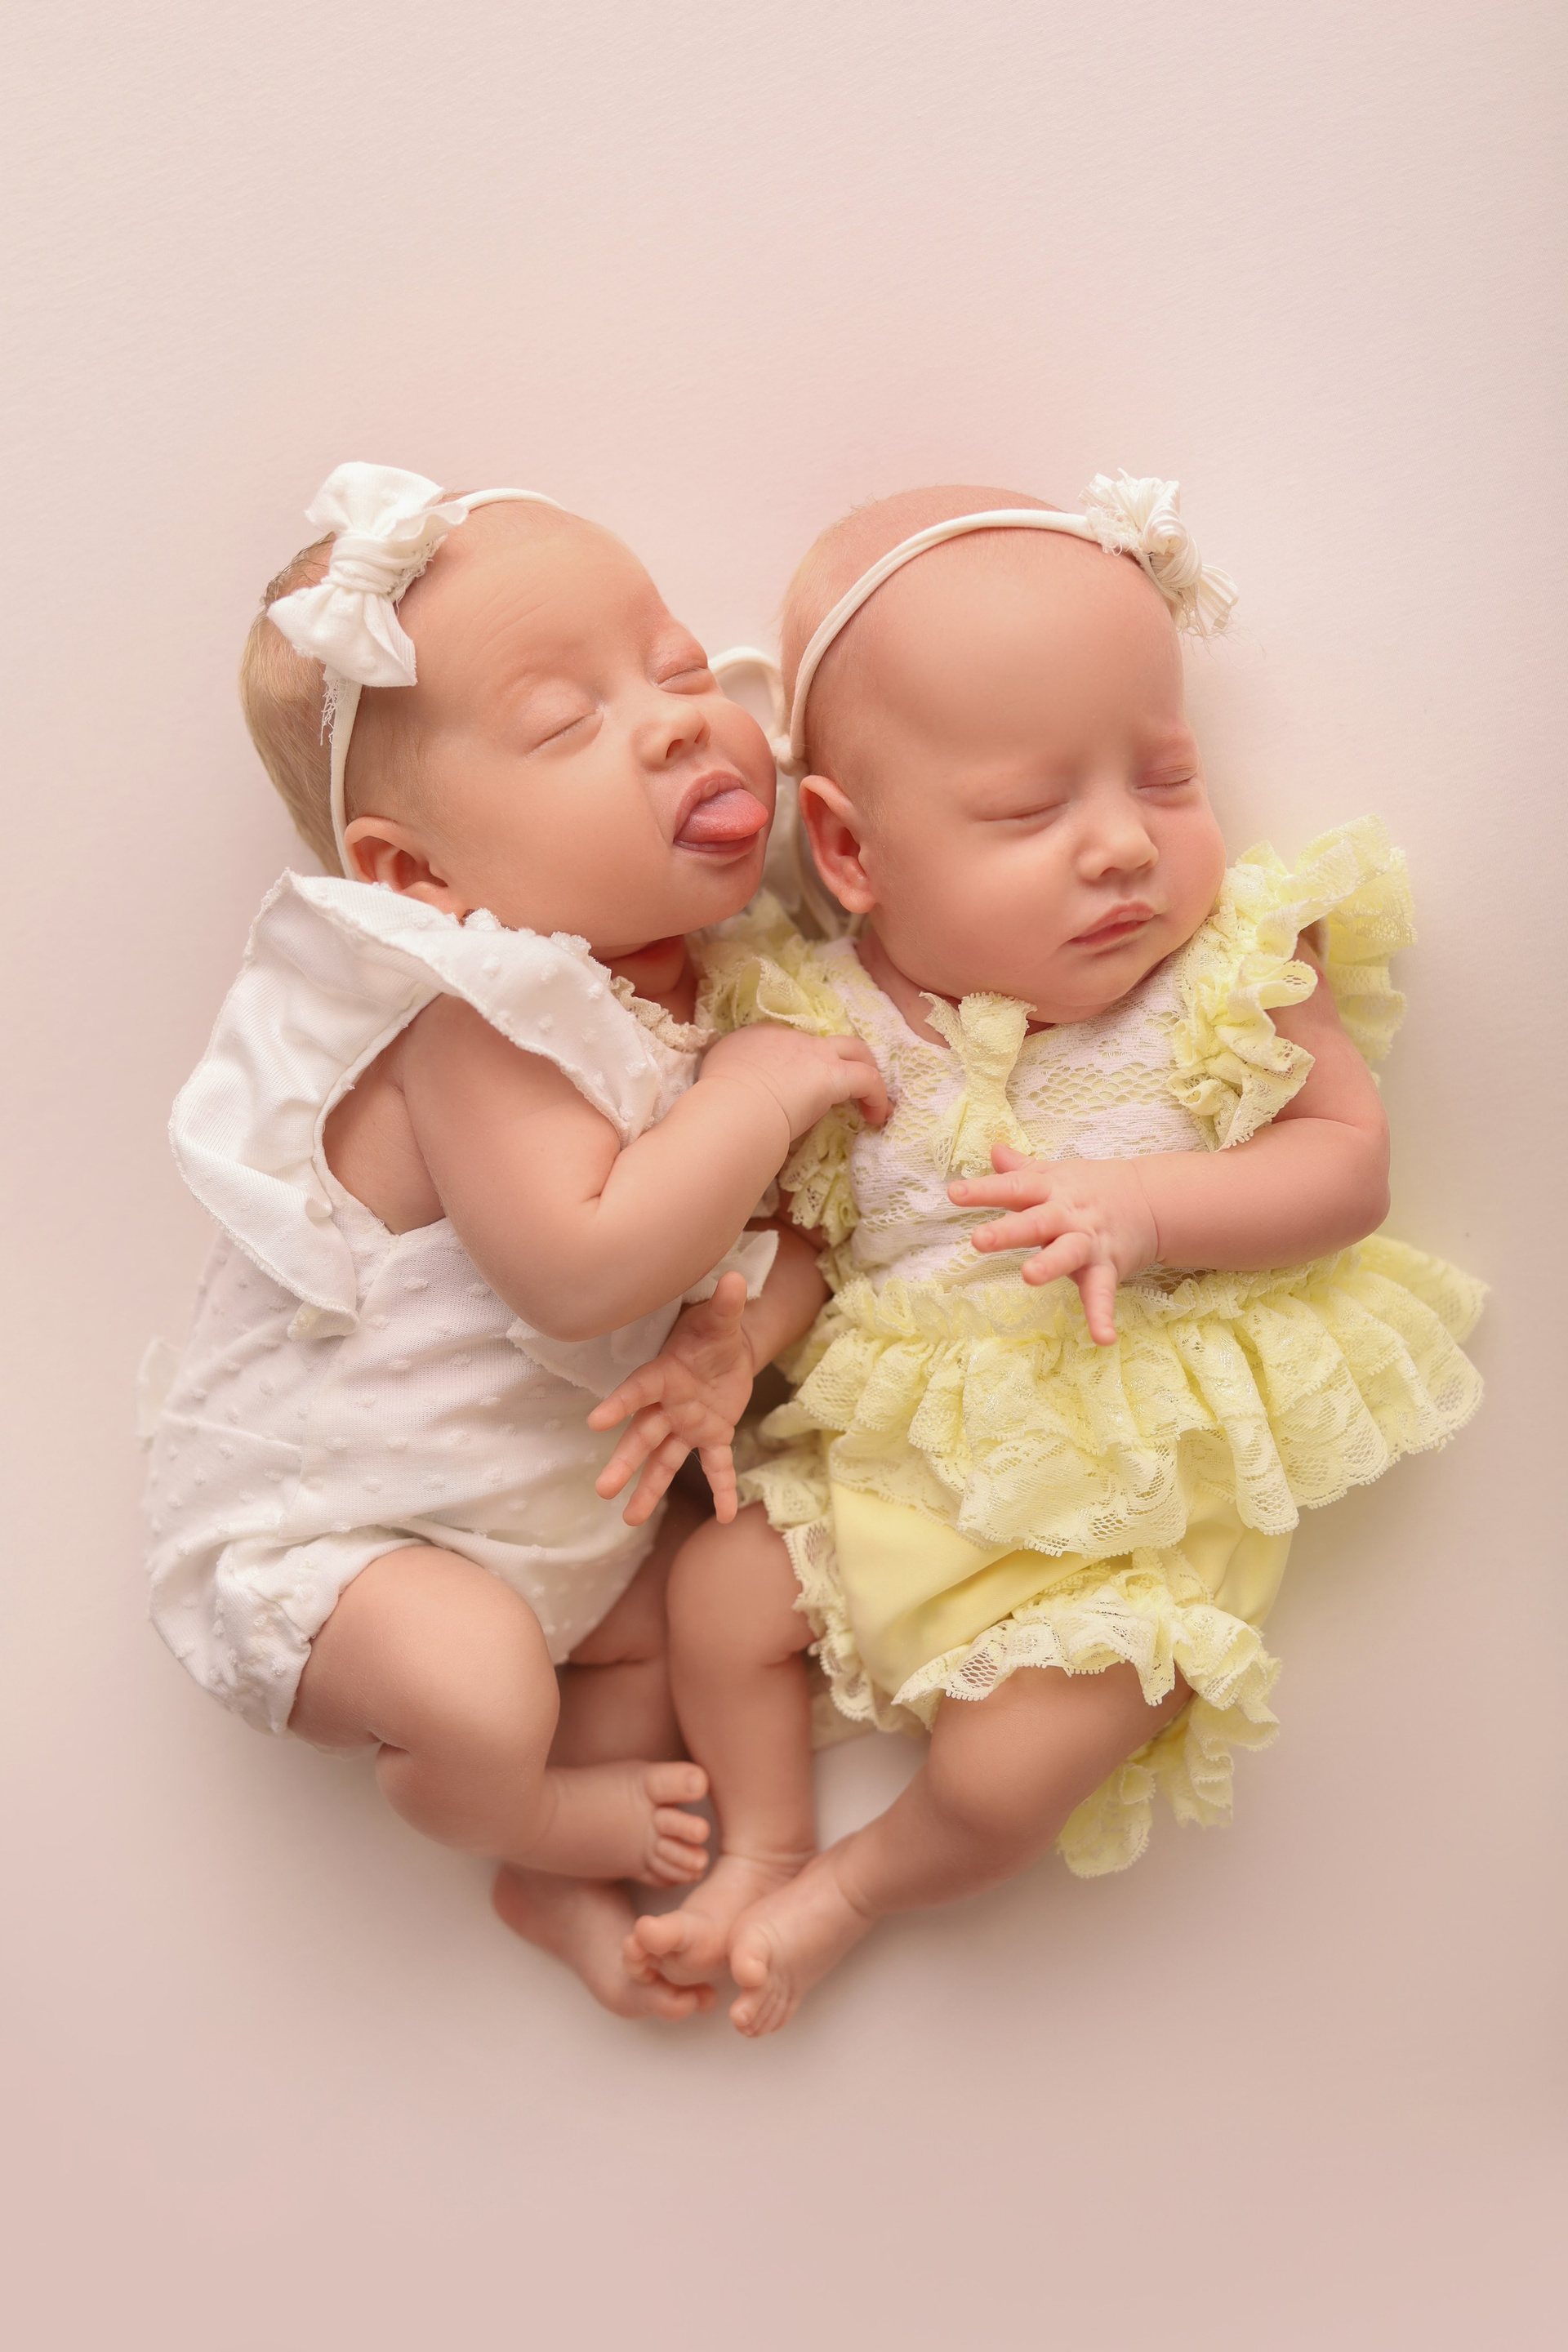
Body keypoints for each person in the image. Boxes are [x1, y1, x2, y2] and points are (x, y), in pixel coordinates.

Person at [595, 474, 1483, 2032]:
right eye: (1029, 809)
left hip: (1121, 1509)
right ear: (850, 850)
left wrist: (1149, 1211)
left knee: (1014, 1774)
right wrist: (738, 1336)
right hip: (895, 1466)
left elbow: (1348, 1168)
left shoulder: (1226, 979)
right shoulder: (820, 1024)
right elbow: (814, 1236)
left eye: (1165, 776)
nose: (1124, 846)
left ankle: (855, 1886)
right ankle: (764, 1843)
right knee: (720, 1591)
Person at [142, 463, 884, 2019]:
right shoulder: (474, 1019)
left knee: (686, 1627)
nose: (676, 721)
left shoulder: (705, 986)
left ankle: (549, 1890)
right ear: (419, 878)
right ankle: (522, 1813)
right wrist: (752, 1101)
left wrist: (748, 1314)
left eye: (674, 665)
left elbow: (751, 1248)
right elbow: (580, 1264)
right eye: (566, 723)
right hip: (345, 1548)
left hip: (553, 1535)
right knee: (482, 1683)